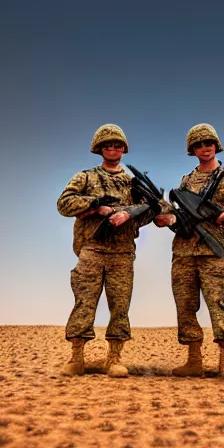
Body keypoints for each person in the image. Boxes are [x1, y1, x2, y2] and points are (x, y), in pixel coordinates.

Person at [154, 123, 224, 383]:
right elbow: (180, 218)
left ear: (216, 146)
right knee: (185, 306)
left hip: (214, 251)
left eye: (209, 143)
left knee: (217, 303)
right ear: (192, 149)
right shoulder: (186, 181)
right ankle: (194, 361)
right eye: (200, 144)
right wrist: (167, 219)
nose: (206, 148)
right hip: (183, 253)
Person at [57, 123, 154, 378]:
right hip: (92, 249)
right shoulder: (85, 177)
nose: (112, 148)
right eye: (107, 144)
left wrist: (128, 215)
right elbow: (64, 204)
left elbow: (150, 211)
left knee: (120, 306)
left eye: (117, 144)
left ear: (124, 149)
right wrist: (96, 206)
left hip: (122, 252)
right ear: (99, 148)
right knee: (84, 303)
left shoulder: (133, 183)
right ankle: (77, 357)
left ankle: (114, 358)